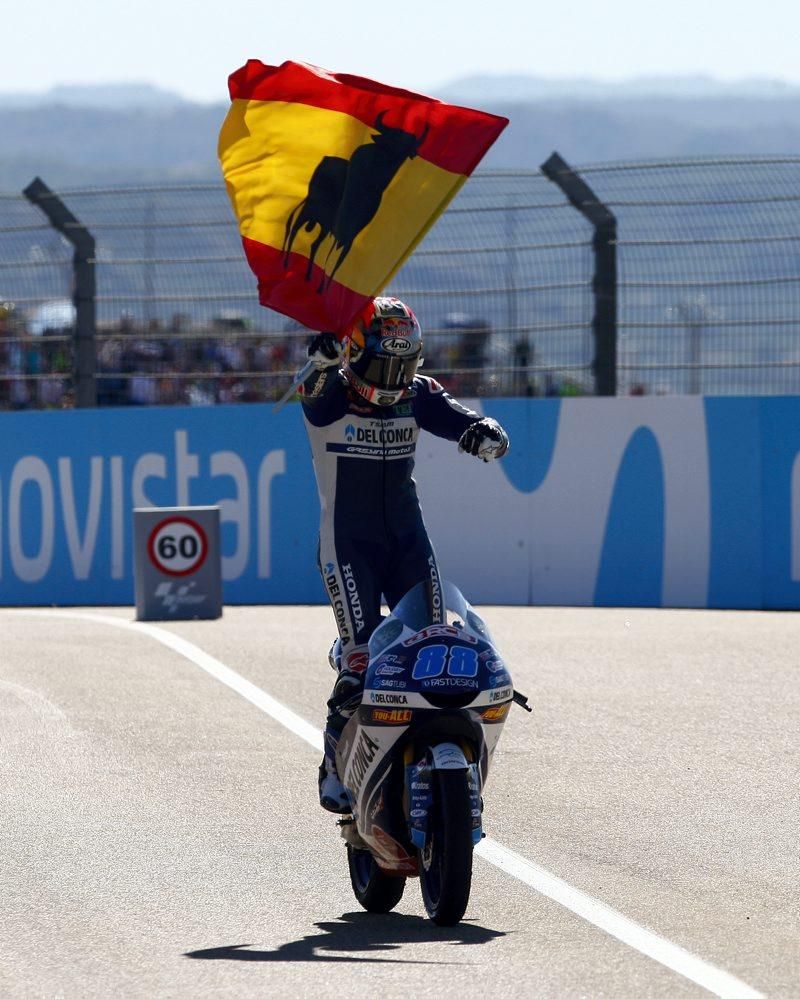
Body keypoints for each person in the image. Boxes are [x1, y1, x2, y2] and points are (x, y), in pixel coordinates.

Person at [298, 296, 510, 812]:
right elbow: (312, 392)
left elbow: (456, 416)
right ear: (353, 352)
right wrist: (320, 358)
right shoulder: (332, 394)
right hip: (348, 547)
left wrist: (480, 430)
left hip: (408, 541)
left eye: (403, 362)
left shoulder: (417, 394)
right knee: (360, 658)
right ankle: (333, 763)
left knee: (436, 642)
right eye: (382, 360)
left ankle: (428, 746)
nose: (393, 374)